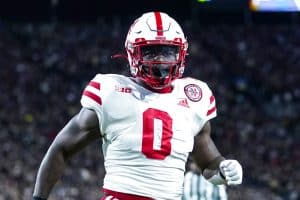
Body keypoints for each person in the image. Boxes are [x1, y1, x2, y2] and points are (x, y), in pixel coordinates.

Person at [32, 11, 243, 200]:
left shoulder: (195, 97)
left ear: (181, 54)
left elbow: (208, 164)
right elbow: (60, 149)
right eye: (151, 51)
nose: (160, 59)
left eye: (168, 51)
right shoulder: (111, 92)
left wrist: (223, 170)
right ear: (133, 54)